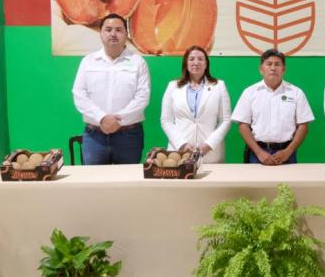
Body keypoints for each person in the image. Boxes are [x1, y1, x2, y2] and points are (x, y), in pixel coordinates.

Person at [72, 13, 150, 165]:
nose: (113, 34)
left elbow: (142, 97)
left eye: (118, 30)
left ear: (126, 34)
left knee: (127, 179)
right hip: (95, 136)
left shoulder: (138, 62)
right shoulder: (88, 61)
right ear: (100, 33)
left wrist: (118, 119)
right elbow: (79, 94)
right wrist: (102, 118)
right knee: (94, 179)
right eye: (108, 30)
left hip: (128, 136)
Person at [232, 49, 314, 165]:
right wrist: (259, 152)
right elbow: (243, 125)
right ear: (261, 69)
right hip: (257, 152)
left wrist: (288, 151)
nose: (273, 68)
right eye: (269, 64)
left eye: (277, 64)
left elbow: (303, 125)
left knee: (289, 178)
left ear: (283, 69)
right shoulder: (249, 93)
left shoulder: (296, 93)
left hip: (287, 152)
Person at [160, 46, 232, 163]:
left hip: (210, 155)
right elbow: (166, 120)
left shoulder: (219, 86)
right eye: (191, 59)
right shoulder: (173, 86)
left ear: (206, 64)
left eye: (200, 59)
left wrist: (208, 145)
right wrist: (182, 144)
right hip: (179, 154)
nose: (196, 62)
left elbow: (225, 120)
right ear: (186, 63)